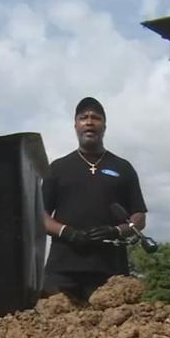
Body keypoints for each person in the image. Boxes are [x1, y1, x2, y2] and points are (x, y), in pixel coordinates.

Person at [42, 97, 148, 302]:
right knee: (55, 325)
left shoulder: (123, 168)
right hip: (62, 270)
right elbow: (41, 215)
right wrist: (67, 232)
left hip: (110, 272)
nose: (89, 122)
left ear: (104, 126)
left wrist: (115, 231)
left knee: (112, 329)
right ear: (76, 125)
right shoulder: (57, 168)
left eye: (96, 118)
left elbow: (139, 218)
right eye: (84, 118)